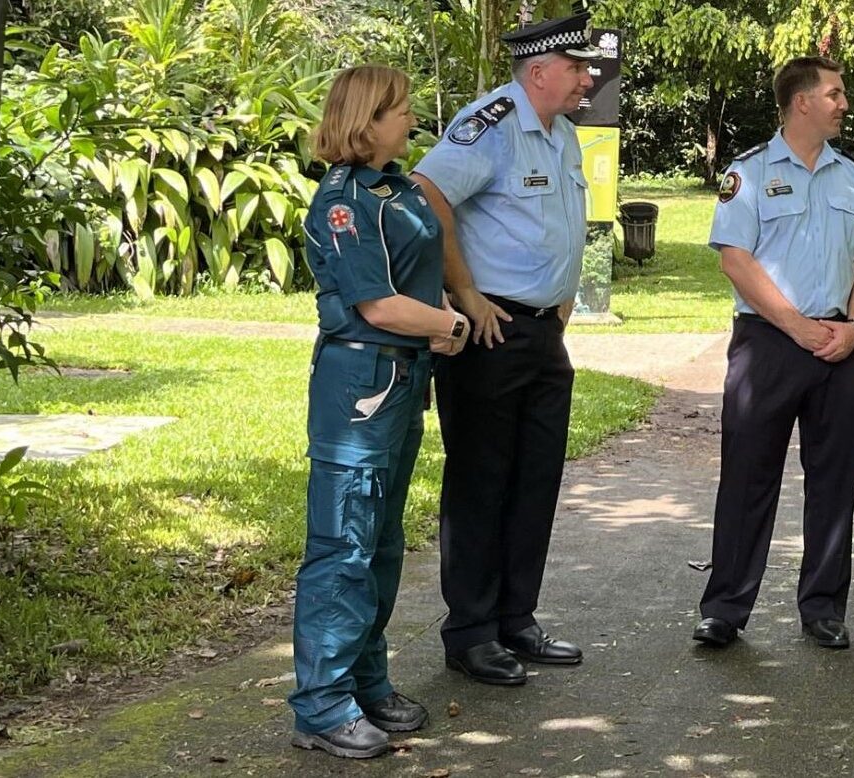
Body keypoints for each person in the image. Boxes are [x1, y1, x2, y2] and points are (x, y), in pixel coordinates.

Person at [410, 12, 597, 687]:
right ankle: (470, 631)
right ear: (539, 72)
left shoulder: (563, 135)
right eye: (577, 68)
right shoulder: (488, 123)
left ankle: (517, 618)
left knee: (535, 478)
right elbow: (427, 191)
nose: (587, 77)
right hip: (491, 332)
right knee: (481, 479)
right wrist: (462, 290)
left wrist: (561, 305)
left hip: (544, 333)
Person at [289, 65, 470, 761]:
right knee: (344, 543)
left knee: (383, 541)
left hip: (400, 382)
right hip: (359, 388)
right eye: (400, 108)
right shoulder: (342, 201)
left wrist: (442, 319)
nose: (412, 117)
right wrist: (449, 328)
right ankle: (322, 703)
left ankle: (365, 680)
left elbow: (417, 280)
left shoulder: (397, 189)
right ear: (366, 118)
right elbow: (378, 305)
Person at [690, 56, 854, 651]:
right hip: (769, 345)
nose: (843, 103)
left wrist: (853, 326)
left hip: (842, 346)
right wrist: (795, 326)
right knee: (748, 477)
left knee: (836, 480)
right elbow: (736, 259)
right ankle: (725, 608)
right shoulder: (747, 173)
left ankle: (824, 608)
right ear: (802, 101)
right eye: (834, 93)